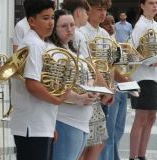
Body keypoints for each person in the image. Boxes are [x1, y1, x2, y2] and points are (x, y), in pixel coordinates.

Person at [9, 0, 70, 160]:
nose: (51, 23)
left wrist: (49, 125)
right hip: (32, 124)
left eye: (52, 18)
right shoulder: (34, 44)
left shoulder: (37, 42)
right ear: (31, 21)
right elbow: (32, 85)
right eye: (45, 18)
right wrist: (57, 100)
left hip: (37, 123)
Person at [48, 9, 97, 160]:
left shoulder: (74, 51)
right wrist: (78, 98)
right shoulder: (51, 52)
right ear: (54, 29)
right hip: (65, 119)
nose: (69, 30)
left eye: (72, 25)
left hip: (82, 120)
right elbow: (54, 86)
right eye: (64, 26)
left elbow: (89, 75)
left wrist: (90, 90)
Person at [128, 0, 157, 159]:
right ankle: (132, 156)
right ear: (142, 6)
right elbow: (132, 52)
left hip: (156, 79)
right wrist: (151, 62)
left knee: (151, 118)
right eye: (150, 3)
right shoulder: (140, 25)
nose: (155, 6)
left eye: (156, 2)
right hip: (143, 78)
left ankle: (142, 156)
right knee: (141, 118)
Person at [79, 0, 114, 160]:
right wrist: (105, 87)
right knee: (86, 143)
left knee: (98, 140)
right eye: (99, 9)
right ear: (88, 10)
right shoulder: (82, 31)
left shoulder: (104, 34)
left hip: (102, 90)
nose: (103, 13)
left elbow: (109, 64)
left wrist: (110, 88)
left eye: (105, 10)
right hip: (88, 91)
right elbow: (90, 65)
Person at [99, 13, 130, 160]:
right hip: (112, 90)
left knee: (119, 129)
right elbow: (110, 68)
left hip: (121, 89)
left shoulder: (115, 41)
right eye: (107, 23)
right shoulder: (103, 41)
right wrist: (124, 79)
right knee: (109, 132)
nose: (111, 26)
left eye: (112, 23)